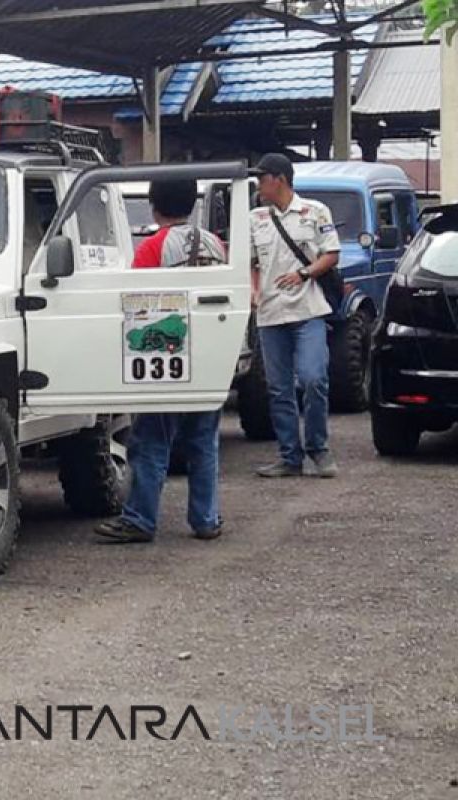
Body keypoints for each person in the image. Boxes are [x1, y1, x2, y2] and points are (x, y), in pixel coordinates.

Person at [95, 179, 228, 544]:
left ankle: (140, 518)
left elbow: (137, 302)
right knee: (203, 441)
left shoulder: (153, 247)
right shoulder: (215, 244)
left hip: (167, 357)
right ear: (191, 204)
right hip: (209, 355)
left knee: (152, 440)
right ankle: (206, 518)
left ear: (154, 206)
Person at [249, 153, 341, 479]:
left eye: (262, 178)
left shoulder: (314, 212)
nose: (259, 185)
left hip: (309, 309)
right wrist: (254, 292)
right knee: (278, 388)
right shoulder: (255, 218)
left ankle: (318, 447)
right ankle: (289, 456)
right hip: (271, 315)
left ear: (280, 179)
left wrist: (304, 273)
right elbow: (250, 263)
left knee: (314, 378)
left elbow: (331, 253)